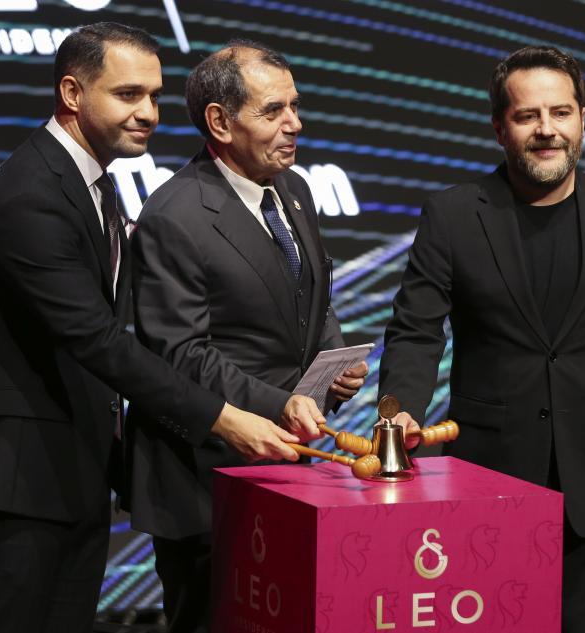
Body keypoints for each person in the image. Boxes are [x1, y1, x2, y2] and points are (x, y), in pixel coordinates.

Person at [0, 23, 300, 633]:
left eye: (154, 96)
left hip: (71, 473)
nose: (148, 113)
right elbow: (96, 340)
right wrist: (225, 419)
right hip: (16, 483)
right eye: (128, 95)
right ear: (72, 94)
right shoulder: (31, 196)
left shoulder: (87, 185)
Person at [378, 45, 585, 633]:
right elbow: (416, 330)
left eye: (561, 112)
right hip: (487, 474)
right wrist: (402, 413)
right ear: (500, 128)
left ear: (582, 119)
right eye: (527, 116)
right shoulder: (452, 215)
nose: (547, 129)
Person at [125, 40, 367, 632]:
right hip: (206, 479)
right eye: (273, 110)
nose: (294, 123)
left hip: (292, 465)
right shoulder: (175, 216)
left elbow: (312, 298)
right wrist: (280, 402)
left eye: (295, 106)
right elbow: (180, 354)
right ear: (220, 122)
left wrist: (333, 364)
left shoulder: (295, 190)